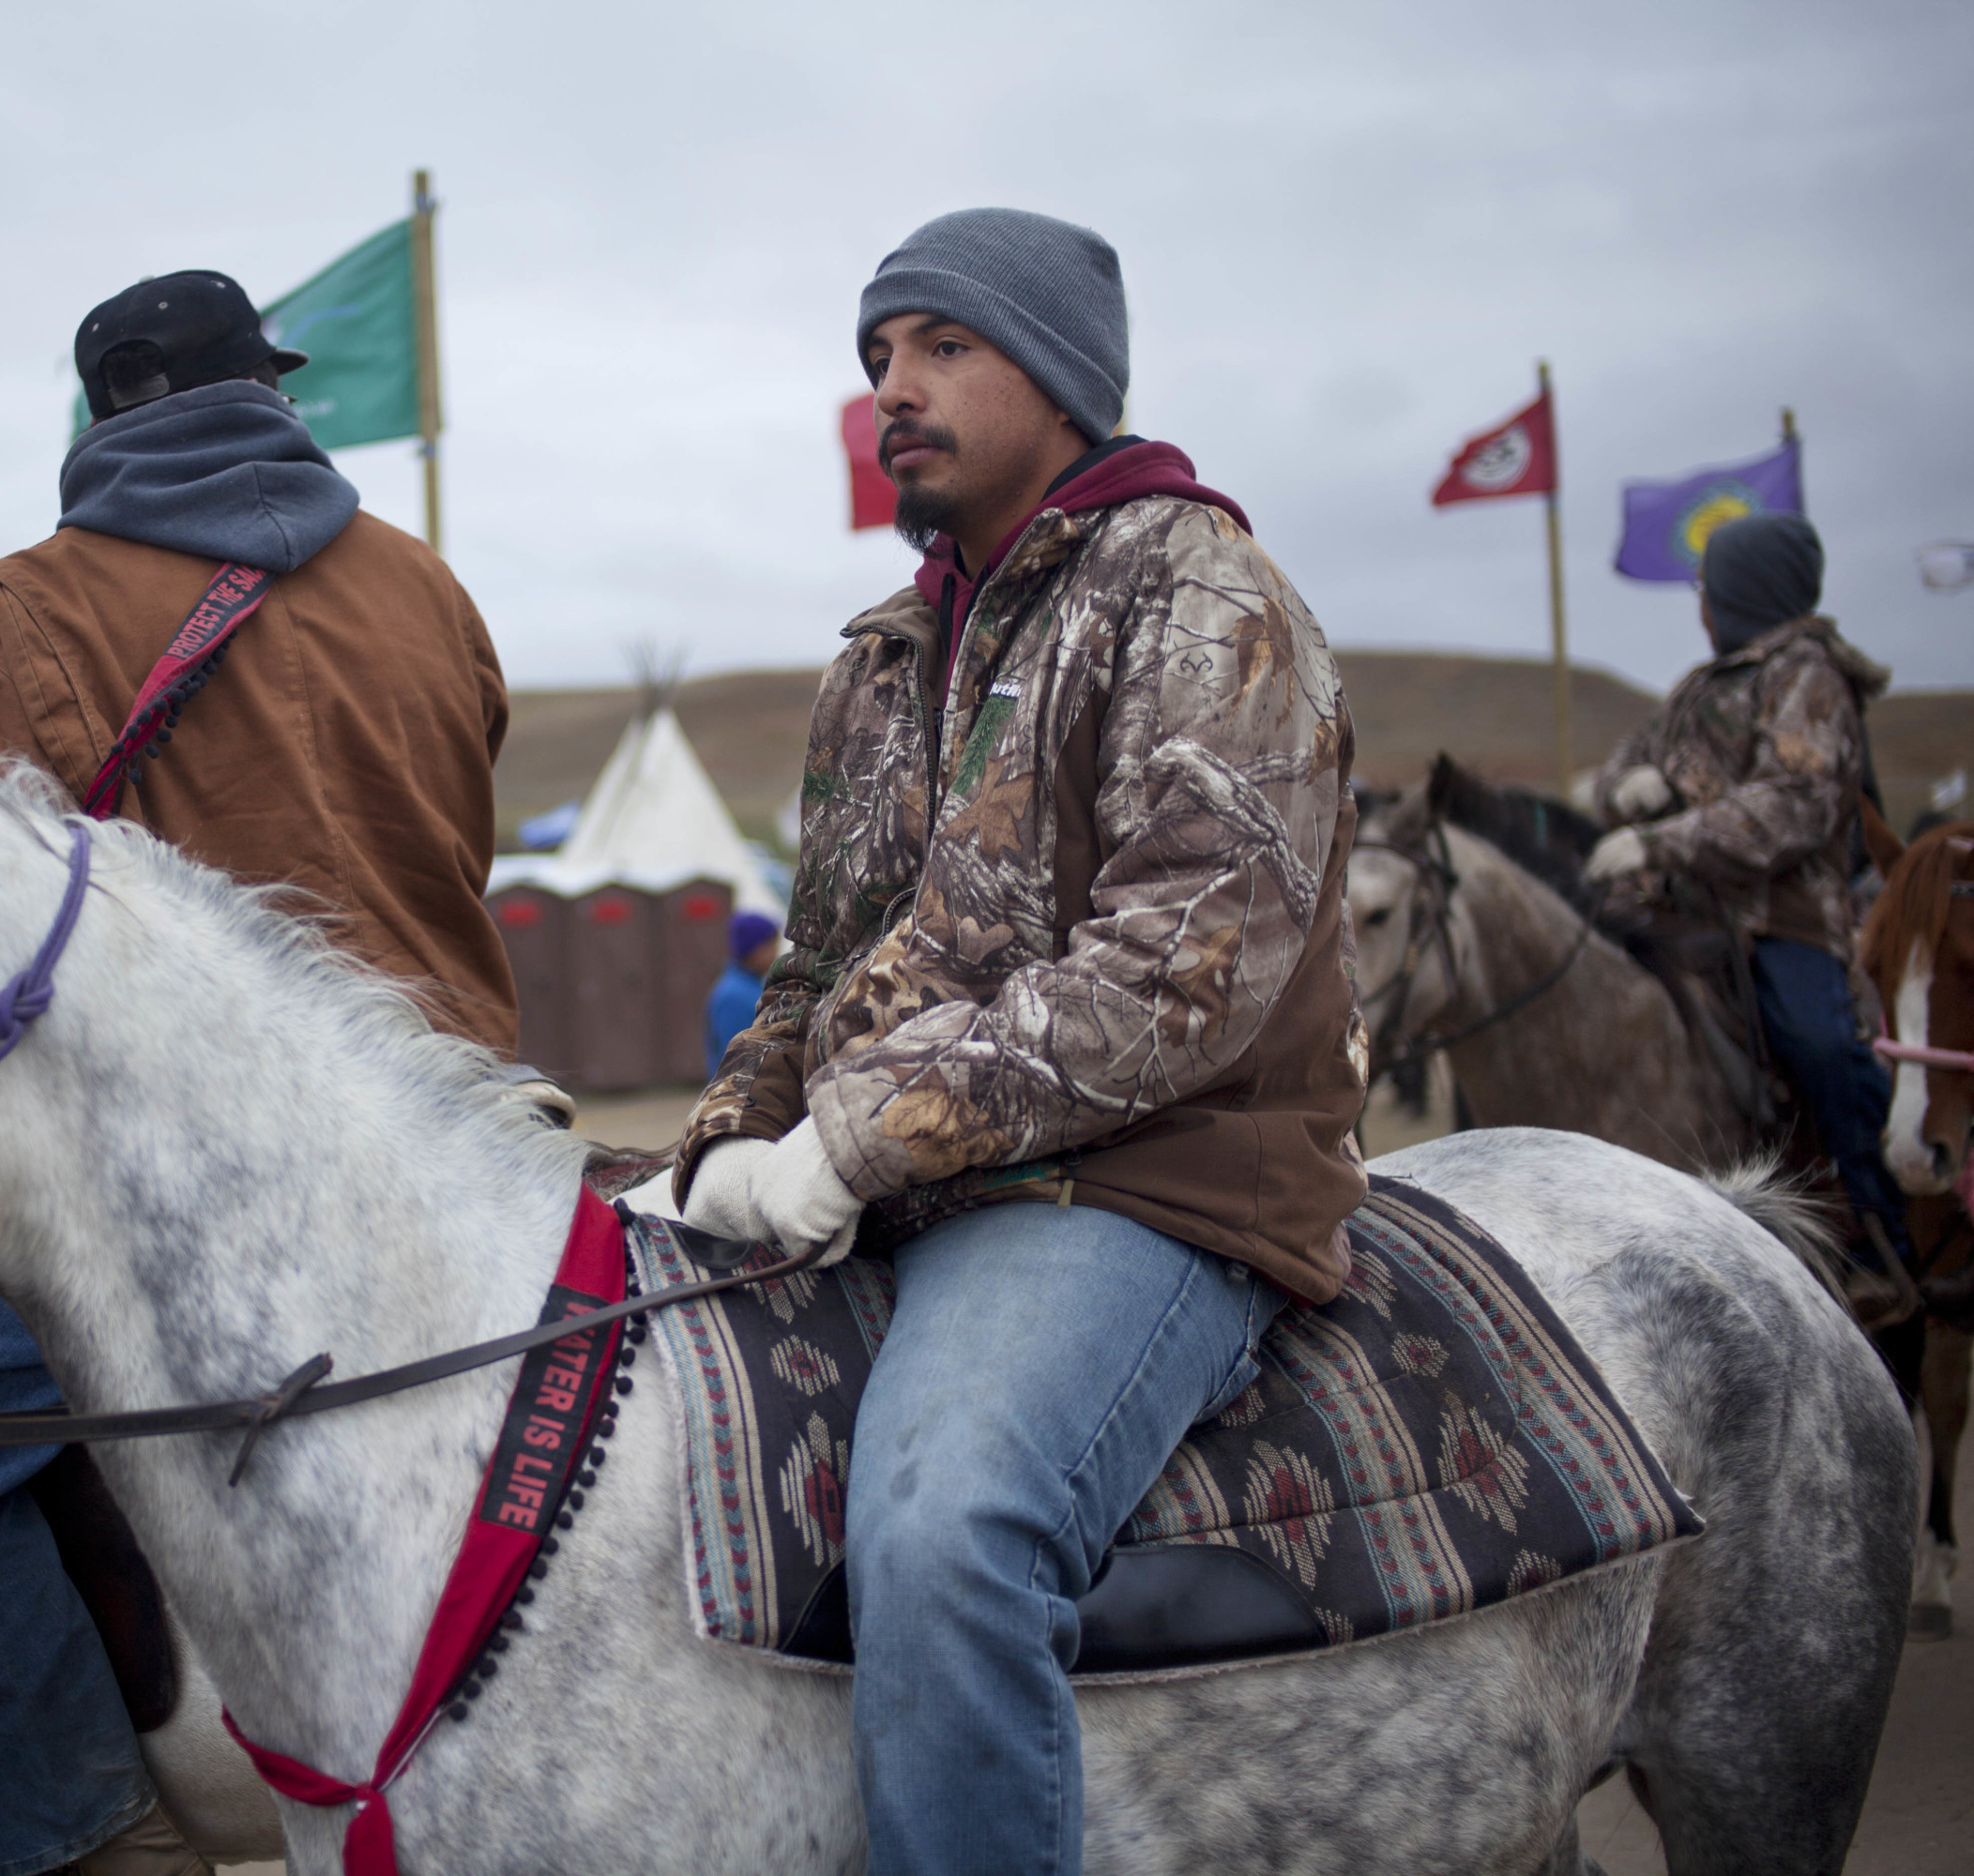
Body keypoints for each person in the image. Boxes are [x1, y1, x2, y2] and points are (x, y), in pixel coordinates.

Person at [676, 209, 1366, 1875]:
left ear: (1057, 376)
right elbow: (817, 967)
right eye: (876, 359)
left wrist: (854, 1142)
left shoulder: (1203, 592)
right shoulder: (884, 660)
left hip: (1142, 1186)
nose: (890, 391)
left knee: (943, 1530)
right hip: (930, 1177)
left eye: (939, 346)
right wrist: (715, 1150)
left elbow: (1181, 966)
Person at [0, 269, 519, 1876]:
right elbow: (459, 834)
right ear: (254, 390)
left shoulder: (32, 604)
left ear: (118, 388)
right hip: (467, 1123)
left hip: (209, 1171)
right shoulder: (428, 586)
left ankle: (85, 1839)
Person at [1581, 511, 1910, 1318]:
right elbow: (1624, 761)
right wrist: (1625, 790)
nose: (1700, 603)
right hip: (1685, 913)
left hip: (1781, 920)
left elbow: (1793, 804)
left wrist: (1662, 840)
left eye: (1708, 586)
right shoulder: (1703, 684)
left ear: (1741, 588)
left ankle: (1878, 1229)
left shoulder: (1808, 678)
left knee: (1819, 1043)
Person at [705, 910, 780, 1079]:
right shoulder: (733, 997)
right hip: (740, 1095)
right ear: (752, 950)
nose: (776, 953)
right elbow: (737, 1059)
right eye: (771, 945)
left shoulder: (754, 985)